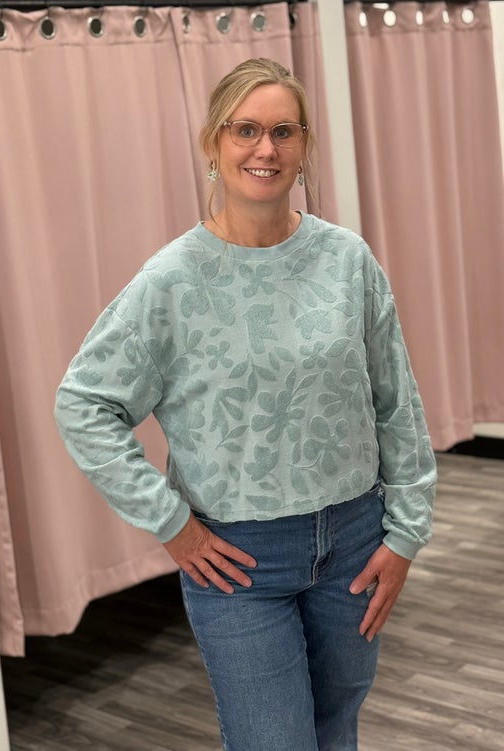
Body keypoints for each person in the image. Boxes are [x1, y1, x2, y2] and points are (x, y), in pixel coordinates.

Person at [55, 58, 436, 751]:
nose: (267, 148)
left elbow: (395, 402)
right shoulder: (171, 281)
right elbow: (84, 403)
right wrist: (172, 523)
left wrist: (406, 531)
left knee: (335, 730)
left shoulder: (347, 260)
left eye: (284, 131)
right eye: (246, 130)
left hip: (355, 542)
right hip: (239, 561)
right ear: (214, 142)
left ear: (305, 144)